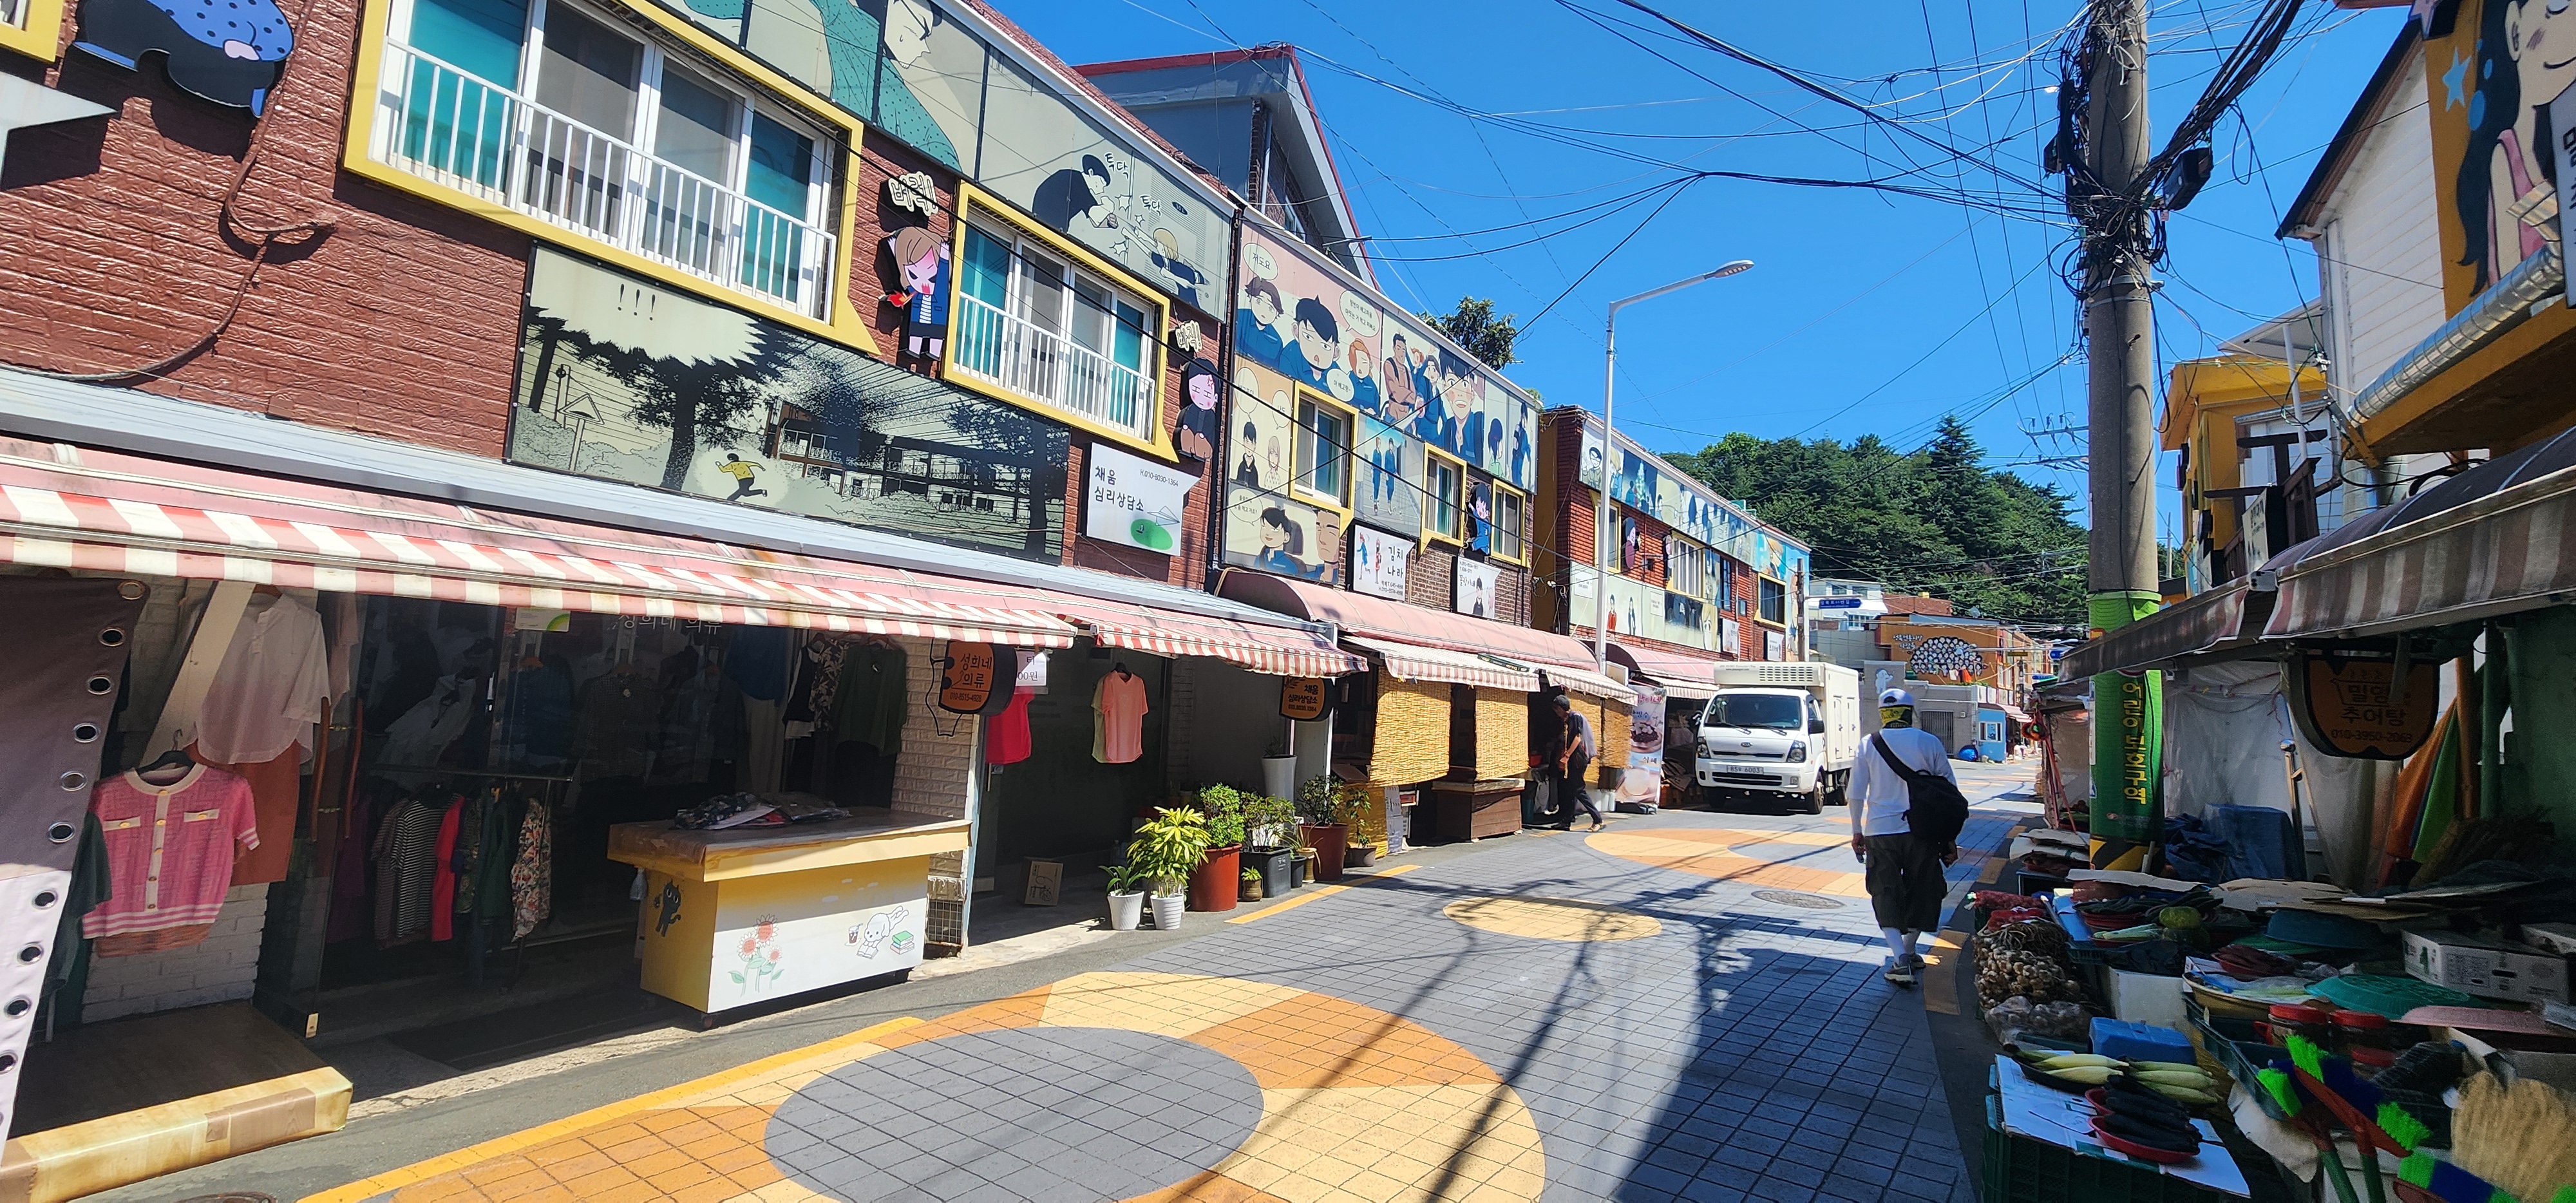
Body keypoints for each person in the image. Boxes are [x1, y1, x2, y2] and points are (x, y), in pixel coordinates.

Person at [1850, 688, 1960, 987]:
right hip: (1922, 831)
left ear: (1882, 714)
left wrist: (1856, 830)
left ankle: (1900, 958)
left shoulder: (1868, 744)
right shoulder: (1929, 742)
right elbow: (1950, 792)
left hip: (1880, 830)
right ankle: (1909, 951)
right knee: (1924, 889)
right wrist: (1949, 837)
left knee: (1884, 890)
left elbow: (1856, 792)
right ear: (1911, 713)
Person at [1551, 693, 1604, 833]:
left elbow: (1577, 738)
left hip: (1577, 759)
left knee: (1578, 790)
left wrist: (1566, 756)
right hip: (1577, 759)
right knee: (1571, 790)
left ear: (1561, 708)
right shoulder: (1572, 718)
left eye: (1557, 709)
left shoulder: (1574, 717)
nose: (1556, 713)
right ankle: (1566, 821)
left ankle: (1597, 819)